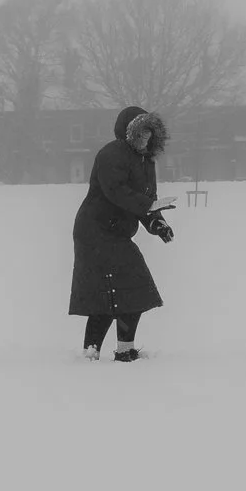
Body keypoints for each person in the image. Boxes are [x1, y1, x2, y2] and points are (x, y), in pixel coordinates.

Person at [69, 106, 173, 361]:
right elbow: (116, 191)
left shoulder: (146, 161)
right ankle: (91, 351)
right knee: (112, 290)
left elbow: (147, 199)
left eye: (149, 134)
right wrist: (147, 206)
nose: (145, 139)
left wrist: (156, 222)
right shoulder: (111, 154)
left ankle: (122, 350)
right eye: (141, 134)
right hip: (95, 230)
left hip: (117, 233)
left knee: (128, 290)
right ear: (129, 133)